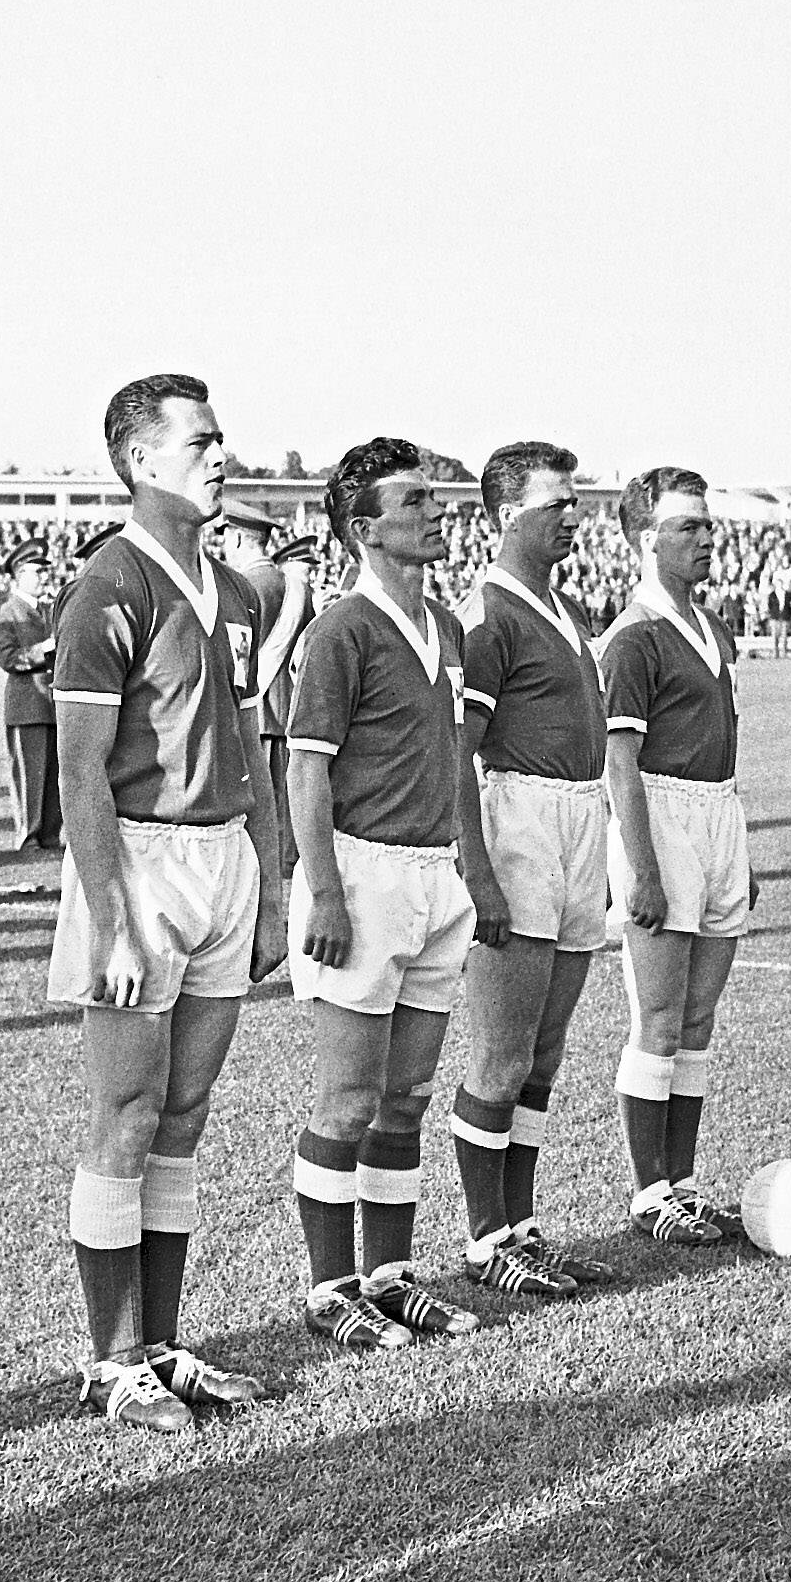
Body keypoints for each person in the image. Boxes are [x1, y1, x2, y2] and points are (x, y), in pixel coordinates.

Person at [48, 374, 285, 1424]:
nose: (221, 454)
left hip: (225, 854)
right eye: (199, 441)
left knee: (183, 1115)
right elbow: (82, 770)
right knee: (129, 1111)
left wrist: (273, 887)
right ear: (142, 463)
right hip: (142, 863)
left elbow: (253, 744)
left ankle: (163, 1341)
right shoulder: (110, 585)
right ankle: (110, 1359)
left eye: (221, 436)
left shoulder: (231, 589)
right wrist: (111, 913)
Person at [288, 437, 485, 1345]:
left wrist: (465, 868)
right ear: (364, 529)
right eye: (413, 501)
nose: (435, 510)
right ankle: (331, 1287)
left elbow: (453, 754)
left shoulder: (442, 624)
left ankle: (393, 1273)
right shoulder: (340, 629)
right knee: (349, 1099)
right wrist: (323, 892)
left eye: (432, 496)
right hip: (361, 876)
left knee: (407, 1095)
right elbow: (307, 771)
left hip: (432, 874)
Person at [447, 441, 624, 1293]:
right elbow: (457, 753)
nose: (574, 516)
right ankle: (487, 1243)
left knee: (544, 1054)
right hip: (517, 819)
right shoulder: (489, 616)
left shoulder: (563, 609)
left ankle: (522, 1226)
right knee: (503, 1052)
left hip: (579, 819)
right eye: (557, 503)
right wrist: (478, 872)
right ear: (506, 514)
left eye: (574, 500)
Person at [601, 466, 753, 1239]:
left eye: (705, 522)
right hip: (661, 816)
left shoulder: (714, 628)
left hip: (718, 815)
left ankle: (684, 1183)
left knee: (699, 1017)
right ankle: (649, 1195)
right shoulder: (633, 638)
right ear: (644, 537)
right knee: (658, 1017)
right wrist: (645, 868)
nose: (704, 536)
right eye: (686, 525)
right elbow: (618, 762)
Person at [220, 500, 313, 878]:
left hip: (253, 709)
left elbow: (233, 658)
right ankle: (287, 858)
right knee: (286, 795)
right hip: (289, 704)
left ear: (241, 539)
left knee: (255, 797)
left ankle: (262, 860)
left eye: (227, 538)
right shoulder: (296, 587)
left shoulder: (239, 587)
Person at [0, 539, 64, 851]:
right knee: (29, 774)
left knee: (51, 774)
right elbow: (7, 658)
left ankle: (48, 832)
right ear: (19, 574)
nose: (44, 577)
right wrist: (42, 649)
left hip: (51, 704)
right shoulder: (9, 611)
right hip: (27, 703)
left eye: (46, 571)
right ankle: (29, 834)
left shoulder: (47, 610)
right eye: (37, 571)